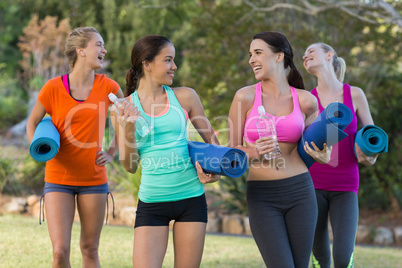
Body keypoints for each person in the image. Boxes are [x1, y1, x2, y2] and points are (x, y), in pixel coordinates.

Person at [110, 35, 220, 268]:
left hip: (191, 198)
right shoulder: (122, 108)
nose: (174, 66)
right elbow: (130, 167)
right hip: (152, 203)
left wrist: (215, 169)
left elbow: (212, 141)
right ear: (146, 64)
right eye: (168, 60)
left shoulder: (185, 96)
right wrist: (128, 131)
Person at [228, 31, 331, 268]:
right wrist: (254, 152)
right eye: (250, 54)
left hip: (301, 192)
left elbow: (322, 147)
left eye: (258, 53)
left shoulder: (306, 100)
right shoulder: (244, 97)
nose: (251, 59)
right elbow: (231, 152)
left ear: (278, 56)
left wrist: (324, 155)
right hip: (262, 196)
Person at [26, 26, 123, 267]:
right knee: (60, 251)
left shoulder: (109, 87)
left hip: (93, 178)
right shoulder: (52, 88)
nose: (104, 50)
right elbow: (32, 122)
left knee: (90, 249)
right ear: (80, 50)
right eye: (98, 45)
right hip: (58, 177)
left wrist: (112, 152)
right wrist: (37, 148)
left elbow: (125, 121)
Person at [302, 42, 379, 268]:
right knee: (320, 258)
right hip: (313, 186)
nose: (305, 56)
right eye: (304, 55)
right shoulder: (307, 100)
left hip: (346, 187)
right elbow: (302, 143)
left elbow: (371, 137)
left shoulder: (354, 94)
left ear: (329, 55)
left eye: (311, 52)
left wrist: (371, 156)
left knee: (343, 258)